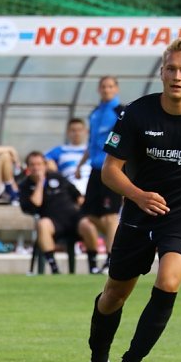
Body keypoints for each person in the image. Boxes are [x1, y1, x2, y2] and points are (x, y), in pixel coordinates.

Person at [70, 38, 181, 362]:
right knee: (113, 296)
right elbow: (110, 171)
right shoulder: (137, 114)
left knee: (168, 281)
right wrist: (138, 195)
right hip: (138, 215)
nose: (177, 76)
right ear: (161, 72)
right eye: (171, 69)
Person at [18, 151, 100, 274]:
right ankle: (54, 268)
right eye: (32, 165)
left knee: (88, 224)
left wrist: (88, 211)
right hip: (52, 223)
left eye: (39, 164)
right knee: (42, 224)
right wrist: (40, 182)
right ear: (28, 167)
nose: (36, 168)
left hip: (73, 219)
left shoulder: (57, 177)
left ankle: (93, 267)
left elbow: (78, 196)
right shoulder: (25, 185)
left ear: (45, 165)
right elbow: (35, 205)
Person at [75, 76, 123, 270]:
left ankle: (112, 259)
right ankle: (119, 240)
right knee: (89, 215)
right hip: (95, 170)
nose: (106, 89)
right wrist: (80, 165)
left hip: (112, 169)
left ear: (116, 89)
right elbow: (92, 143)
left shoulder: (121, 112)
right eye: (103, 86)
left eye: (110, 86)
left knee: (110, 215)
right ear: (99, 89)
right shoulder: (95, 113)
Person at [44, 118, 90, 195]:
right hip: (70, 190)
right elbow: (39, 160)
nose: (77, 133)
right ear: (68, 132)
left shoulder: (93, 150)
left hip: (92, 187)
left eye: (79, 130)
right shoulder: (60, 150)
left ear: (86, 131)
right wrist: (48, 163)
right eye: (73, 130)